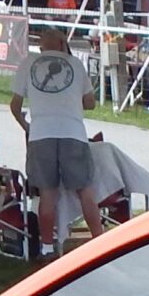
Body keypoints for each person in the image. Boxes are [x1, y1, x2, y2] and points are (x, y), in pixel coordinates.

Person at [9, 23, 105, 255]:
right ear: (64, 45)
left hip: (41, 134)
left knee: (47, 195)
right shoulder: (75, 64)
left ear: (41, 46)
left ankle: (47, 247)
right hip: (73, 134)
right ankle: (100, 244)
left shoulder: (28, 63)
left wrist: (27, 125)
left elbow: (15, 105)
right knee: (85, 192)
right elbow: (90, 102)